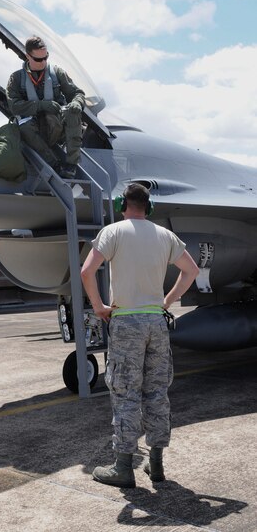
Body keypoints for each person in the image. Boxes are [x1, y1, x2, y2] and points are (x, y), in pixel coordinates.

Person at [81, 183, 199, 488]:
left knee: (125, 392)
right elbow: (192, 271)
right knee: (157, 392)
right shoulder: (165, 236)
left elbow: (86, 271)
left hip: (126, 322)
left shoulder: (113, 231)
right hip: (156, 323)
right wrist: (167, 301)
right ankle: (156, 463)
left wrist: (99, 307)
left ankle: (123, 467)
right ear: (150, 208)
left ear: (123, 204)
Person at [6, 36, 85, 179]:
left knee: (72, 112)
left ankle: (71, 164)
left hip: (57, 125)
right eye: (38, 59)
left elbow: (77, 93)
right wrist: (41, 105)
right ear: (27, 56)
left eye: (45, 57)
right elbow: (14, 106)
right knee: (23, 126)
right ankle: (54, 164)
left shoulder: (57, 73)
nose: (43, 62)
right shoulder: (16, 79)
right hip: (34, 131)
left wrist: (77, 103)